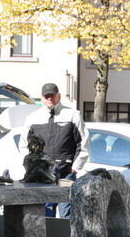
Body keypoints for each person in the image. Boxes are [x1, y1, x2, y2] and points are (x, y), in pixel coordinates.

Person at [20, 82, 89, 217]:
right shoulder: (32, 118)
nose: (49, 99)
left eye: (52, 95)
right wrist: (32, 168)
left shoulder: (73, 115)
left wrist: (75, 167)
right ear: (41, 98)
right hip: (43, 175)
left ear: (59, 96)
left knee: (67, 212)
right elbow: (24, 146)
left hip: (66, 173)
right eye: (46, 96)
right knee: (46, 213)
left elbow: (83, 142)